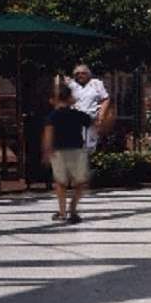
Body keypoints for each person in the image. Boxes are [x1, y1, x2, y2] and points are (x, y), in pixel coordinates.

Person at [43, 85, 103, 223]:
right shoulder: (78, 115)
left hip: (58, 152)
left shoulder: (52, 116)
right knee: (80, 182)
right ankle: (73, 208)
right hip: (77, 151)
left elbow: (48, 134)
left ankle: (62, 212)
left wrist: (47, 151)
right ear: (71, 99)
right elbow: (94, 124)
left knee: (60, 183)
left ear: (53, 100)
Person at [68, 65, 113, 154]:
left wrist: (101, 116)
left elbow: (105, 99)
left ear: (89, 74)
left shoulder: (96, 83)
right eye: (77, 74)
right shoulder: (71, 85)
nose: (80, 75)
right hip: (75, 120)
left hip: (91, 119)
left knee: (90, 146)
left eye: (83, 73)